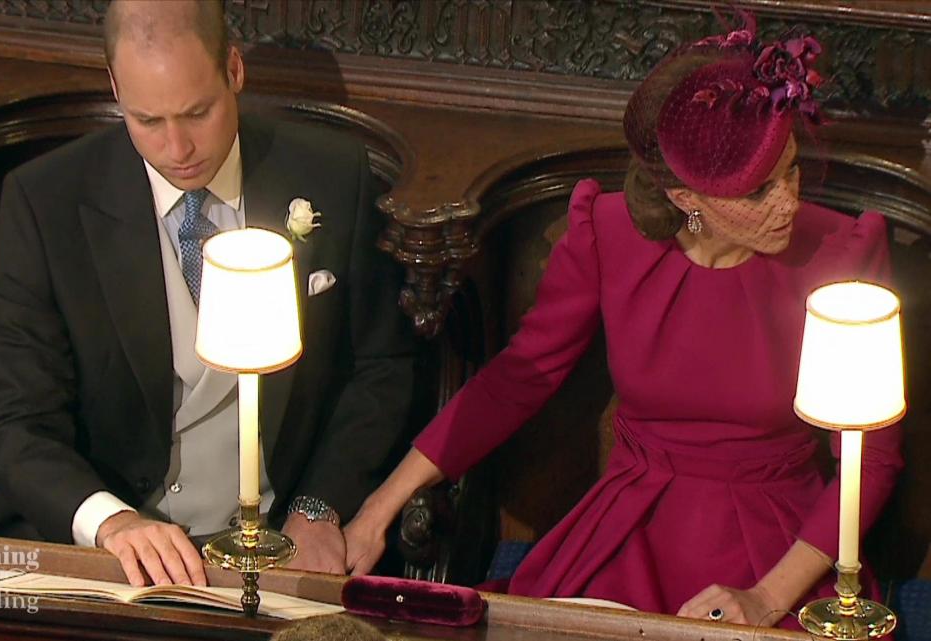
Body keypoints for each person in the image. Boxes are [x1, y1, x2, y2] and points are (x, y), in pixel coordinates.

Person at [341, 14, 903, 628]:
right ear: (686, 197)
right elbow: (516, 380)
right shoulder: (609, 234)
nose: (788, 203)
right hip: (626, 532)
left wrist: (768, 597)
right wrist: (379, 508)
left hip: (781, 548)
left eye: (792, 170)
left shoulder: (843, 252)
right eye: (757, 192)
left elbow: (870, 459)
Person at [0, 0, 414, 588]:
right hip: (108, 549)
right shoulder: (43, 203)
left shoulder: (331, 174)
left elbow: (380, 369)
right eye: (147, 121)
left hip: (279, 543)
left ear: (233, 70)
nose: (177, 148)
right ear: (114, 88)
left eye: (197, 112)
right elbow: (16, 425)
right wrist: (113, 523)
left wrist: (319, 506)